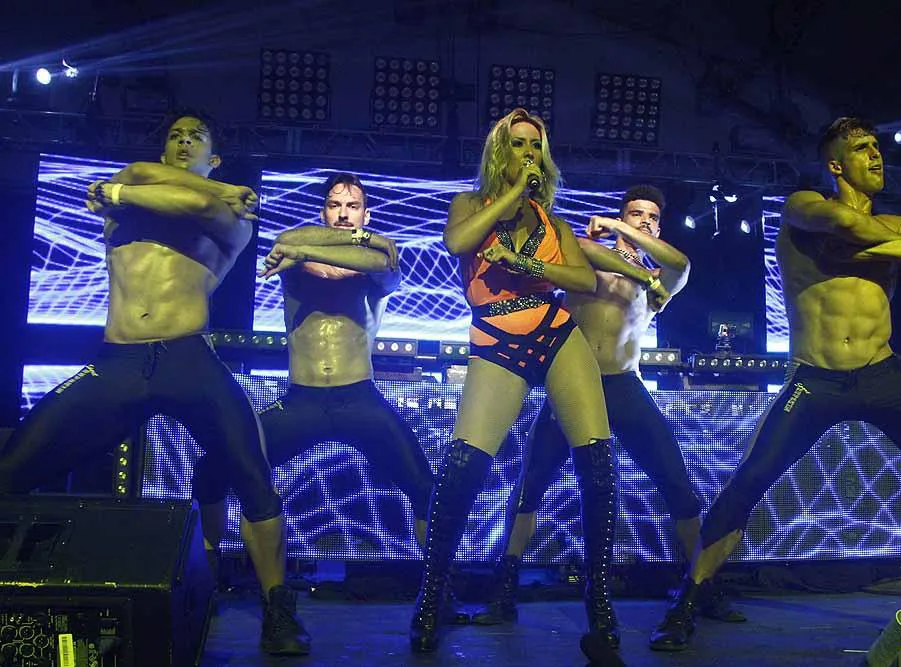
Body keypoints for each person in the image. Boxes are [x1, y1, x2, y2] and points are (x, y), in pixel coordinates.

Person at [649, 117, 901, 652]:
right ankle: (688, 601)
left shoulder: (889, 225)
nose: (876, 156)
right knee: (747, 483)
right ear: (836, 164)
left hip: (882, 372)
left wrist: (871, 252)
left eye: (878, 147)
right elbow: (846, 223)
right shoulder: (803, 206)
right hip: (816, 377)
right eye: (862, 149)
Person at [0, 112, 310, 655]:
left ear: (215, 159)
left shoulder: (232, 213)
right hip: (117, 361)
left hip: (187, 357)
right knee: (13, 468)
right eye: (175, 135)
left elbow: (196, 207)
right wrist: (135, 186)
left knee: (254, 477)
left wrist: (127, 193)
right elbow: (140, 173)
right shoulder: (143, 183)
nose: (184, 141)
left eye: (197, 137)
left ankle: (277, 609)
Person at [190, 173, 467, 618]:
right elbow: (292, 245)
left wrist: (321, 249)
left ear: (365, 215)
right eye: (335, 205)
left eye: (352, 206)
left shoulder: (374, 258)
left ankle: (438, 592)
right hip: (302, 400)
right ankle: (208, 578)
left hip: (359, 398)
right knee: (212, 469)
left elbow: (375, 265)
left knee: (424, 488)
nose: (343, 213)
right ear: (323, 213)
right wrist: (312, 249)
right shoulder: (296, 248)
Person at [468, 184, 744, 627]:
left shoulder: (659, 278)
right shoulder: (588, 258)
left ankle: (702, 586)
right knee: (530, 486)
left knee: (677, 485)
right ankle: (503, 590)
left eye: (652, 218)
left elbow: (683, 265)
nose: (645, 222)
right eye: (636, 214)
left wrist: (624, 234)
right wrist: (618, 240)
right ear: (621, 217)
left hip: (624, 385)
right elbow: (579, 248)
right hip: (573, 384)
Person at [409, 108, 617, 653]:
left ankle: (599, 606)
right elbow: (458, 244)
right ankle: (431, 596)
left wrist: (531, 267)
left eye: (535, 146)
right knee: (464, 466)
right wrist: (511, 196)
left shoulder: (554, 223)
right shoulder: (470, 204)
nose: (528, 153)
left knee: (597, 464)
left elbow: (584, 280)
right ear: (501, 152)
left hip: (555, 330)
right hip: (497, 339)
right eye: (518, 144)